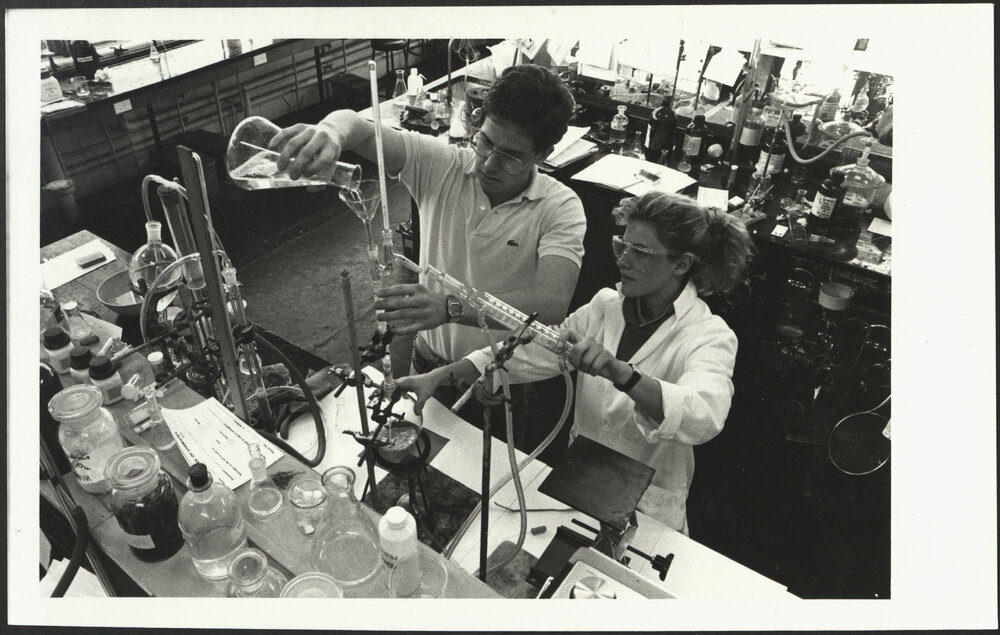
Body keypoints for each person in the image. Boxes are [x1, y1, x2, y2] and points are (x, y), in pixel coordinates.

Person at [271, 64, 585, 456]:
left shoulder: (560, 208)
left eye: (510, 157)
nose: (488, 164)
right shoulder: (442, 165)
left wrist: (450, 306)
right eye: (484, 142)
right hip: (427, 364)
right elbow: (358, 126)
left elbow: (550, 303)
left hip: (498, 379)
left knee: (486, 483)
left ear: (544, 153)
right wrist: (332, 134)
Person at [397, 192, 754, 533]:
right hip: (579, 478)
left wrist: (620, 372)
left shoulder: (709, 335)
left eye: (640, 252)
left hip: (648, 504)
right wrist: (442, 374)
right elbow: (535, 349)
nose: (622, 260)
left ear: (682, 263)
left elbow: (704, 414)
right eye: (622, 246)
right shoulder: (605, 306)